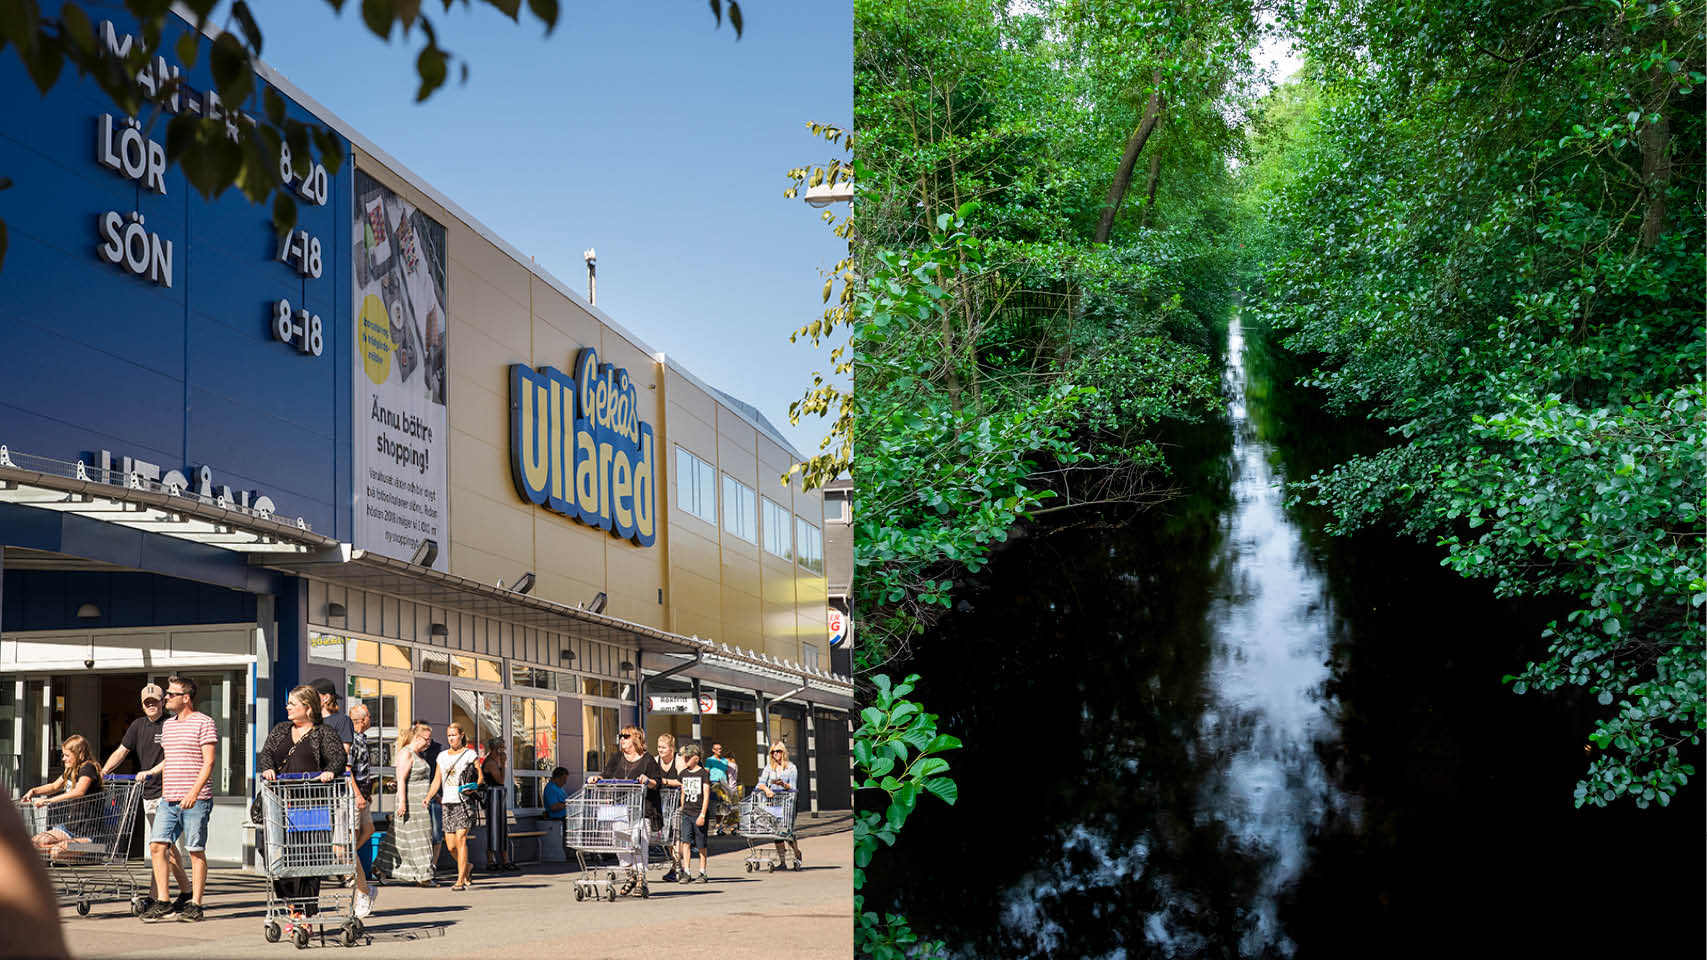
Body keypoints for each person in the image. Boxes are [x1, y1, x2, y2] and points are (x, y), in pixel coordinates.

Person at [255, 685, 347, 921]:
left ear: (307, 708)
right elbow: (265, 754)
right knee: (275, 857)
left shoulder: (323, 733)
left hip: (312, 806)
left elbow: (338, 757)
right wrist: (267, 768)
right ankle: (293, 906)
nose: (287, 707)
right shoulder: (281, 730)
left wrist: (329, 772)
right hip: (280, 806)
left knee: (308, 861)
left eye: (292, 704)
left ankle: (306, 913)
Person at [100, 683, 190, 914]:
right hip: (148, 793)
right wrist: (103, 772)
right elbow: (122, 751)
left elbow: (172, 756)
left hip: (169, 792)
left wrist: (151, 772)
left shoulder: (171, 725)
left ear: (163, 702)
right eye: (147, 702)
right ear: (142, 705)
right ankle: (184, 890)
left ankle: (158, 895)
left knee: (160, 846)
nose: (151, 705)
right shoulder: (138, 726)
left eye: (155, 701)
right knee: (163, 847)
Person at [138, 675, 217, 922]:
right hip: (169, 798)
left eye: (171, 694)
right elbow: (170, 759)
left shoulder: (205, 722)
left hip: (196, 798)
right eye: (167, 694)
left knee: (195, 851)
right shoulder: (168, 726)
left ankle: (196, 903)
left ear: (186, 697)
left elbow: (209, 761)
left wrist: (194, 792)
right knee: (157, 846)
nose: (166, 698)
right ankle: (164, 901)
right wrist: (152, 772)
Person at [586, 725, 661, 896]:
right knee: (620, 842)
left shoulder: (648, 759)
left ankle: (641, 879)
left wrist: (647, 780)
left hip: (643, 810)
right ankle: (630, 875)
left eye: (625, 736)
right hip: (620, 809)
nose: (621, 739)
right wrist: (597, 778)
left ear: (635, 738)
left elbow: (657, 782)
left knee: (639, 843)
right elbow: (606, 774)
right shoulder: (618, 757)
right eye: (620, 736)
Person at [373, 723, 436, 886]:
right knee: (417, 838)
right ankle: (424, 876)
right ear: (417, 737)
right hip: (410, 803)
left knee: (402, 838)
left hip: (421, 803)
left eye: (430, 740)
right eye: (426, 740)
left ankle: (380, 866)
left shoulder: (418, 754)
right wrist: (402, 803)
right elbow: (401, 778)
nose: (428, 743)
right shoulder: (406, 753)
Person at [23, 735, 103, 859]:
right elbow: (54, 786)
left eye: (67, 755)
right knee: (35, 842)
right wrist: (33, 791)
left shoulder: (88, 768)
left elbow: (79, 791)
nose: (63, 759)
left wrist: (49, 800)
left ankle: (93, 850)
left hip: (88, 832)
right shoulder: (71, 770)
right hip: (69, 828)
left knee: (56, 851)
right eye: (63, 755)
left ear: (79, 754)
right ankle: (65, 848)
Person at [427, 721, 480, 891]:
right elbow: (437, 779)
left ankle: (460, 880)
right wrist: (429, 796)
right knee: (450, 846)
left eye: (454, 735)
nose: (451, 738)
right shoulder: (442, 756)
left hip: (464, 802)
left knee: (461, 839)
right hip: (447, 803)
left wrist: (474, 787)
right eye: (449, 735)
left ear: (461, 735)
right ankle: (467, 867)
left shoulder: (469, 754)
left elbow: (480, 776)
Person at [345, 702, 378, 916]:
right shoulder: (353, 740)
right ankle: (363, 892)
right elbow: (348, 770)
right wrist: (357, 794)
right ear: (363, 720)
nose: (371, 720)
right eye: (369, 717)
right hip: (354, 796)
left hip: (363, 795)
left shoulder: (362, 739)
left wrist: (366, 794)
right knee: (350, 844)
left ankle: (348, 865)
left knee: (370, 831)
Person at [755, 741, 802, 866]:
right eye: (773, 752)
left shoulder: (791, 768)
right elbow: (760, 783)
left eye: (778, 751)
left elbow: (794, 788)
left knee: (786, 832)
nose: (776, 754)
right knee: (776, 832)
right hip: (774, 803)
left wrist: (784, 785)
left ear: (783, 752)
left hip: (788, 803)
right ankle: (782, 861)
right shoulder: (769, 767)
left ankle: (796, 852)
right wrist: (766, 789)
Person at [675, 744, 712, 883]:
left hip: (698, 813)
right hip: (686, 813)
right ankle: (687, 871)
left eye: (688, 757)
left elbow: (706, 795)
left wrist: (702, 814)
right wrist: (682, 807)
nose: (685, 759)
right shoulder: (683, 773)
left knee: (701, 843)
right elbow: (683, 792)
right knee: (685, 842)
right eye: (685, 757)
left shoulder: (703, 773)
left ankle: (702, 872)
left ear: (696, 758)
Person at [480, 738, 516, 872]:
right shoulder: (490, 762)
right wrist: (504, 764)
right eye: (502, 747)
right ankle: (491, 860)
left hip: (498, 797)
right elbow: (500, 780)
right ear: (496, 749)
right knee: (494, 829)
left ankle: (504, 859)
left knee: (501, 828)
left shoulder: (496, 761)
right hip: (493, 796)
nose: (504, 750)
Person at [416, 723, 446, 875]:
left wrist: (438, 794)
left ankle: (432, 866)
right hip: (418, 797)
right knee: (422, 834)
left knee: (436, 834)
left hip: (434, 796)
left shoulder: (437, 749)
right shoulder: (413, 751)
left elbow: (438, 775)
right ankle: (424, 866)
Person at [655, 732, 684, 882]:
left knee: (676, 835)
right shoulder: (655, 760)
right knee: (666, 836)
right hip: (663, 803)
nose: (660, 750)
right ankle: (675, 866)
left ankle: (678, 866)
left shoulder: (679, 762)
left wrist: (665, 781)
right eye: (659, 747)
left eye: (663, 747)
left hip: (677, 802)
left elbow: (684, 781)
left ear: (671, 748)